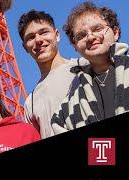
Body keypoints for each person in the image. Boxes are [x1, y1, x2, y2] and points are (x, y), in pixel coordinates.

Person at [51, 2, 129, 134]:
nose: (91, 37)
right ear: (75, 46)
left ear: (115, 32)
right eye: (81, 35)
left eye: (97, 29)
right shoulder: (67, 105)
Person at [18, 10, 88, 139]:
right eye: (31, 37)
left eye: (44, 32)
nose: (38, 40)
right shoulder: (30, 102)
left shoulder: (85, 66)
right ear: (24, 47)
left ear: (57, 35)